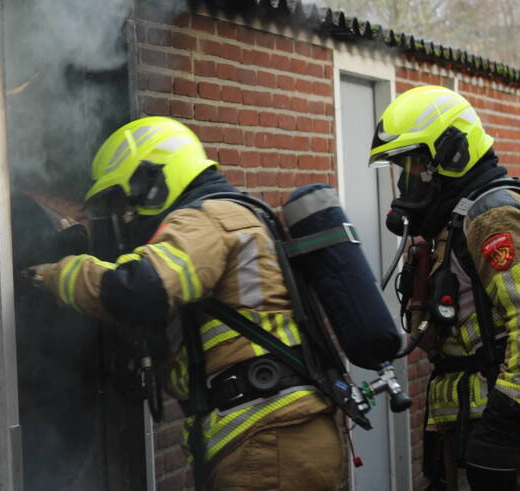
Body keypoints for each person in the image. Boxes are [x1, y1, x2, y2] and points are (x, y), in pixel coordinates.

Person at [26, 116, 345, 490]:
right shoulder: (229, 213)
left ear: (153, 183)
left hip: (269, 440)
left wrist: (56, 275)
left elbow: (143, 288)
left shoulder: (206, 220)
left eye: (127, 205)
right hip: (272, 437)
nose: (127, 220)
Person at [368, 85, 520, 491]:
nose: (407, 184)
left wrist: (501, 428)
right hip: (469, 417)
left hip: (510, 427)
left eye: (415, 166)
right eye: (402, 170)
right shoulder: (454, 223)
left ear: (452, 155)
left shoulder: (494, 215)